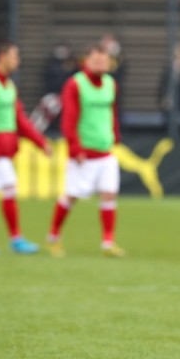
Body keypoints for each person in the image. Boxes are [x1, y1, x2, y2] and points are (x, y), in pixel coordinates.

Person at [46, 44, 125, 258]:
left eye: (104, 60)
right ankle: (53, 236)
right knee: (71, 196)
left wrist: (115, 135)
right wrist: (75, 147)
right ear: (86, 62)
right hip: (83, 153)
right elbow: (69, 119)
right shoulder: (75, 84)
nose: (101, 64)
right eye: (96, 60)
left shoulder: (110, 84)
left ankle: (108, 242)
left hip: (106, 151)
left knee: (109, 194)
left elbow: (112, 113)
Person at [0, 41, 52, 255]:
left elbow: (20, 120)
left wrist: (40, 142)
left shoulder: (9, 85)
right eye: (14, 56)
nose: (17, 60)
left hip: (2, 150)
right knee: (8, 187)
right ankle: (16, 239)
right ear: (2, 56)